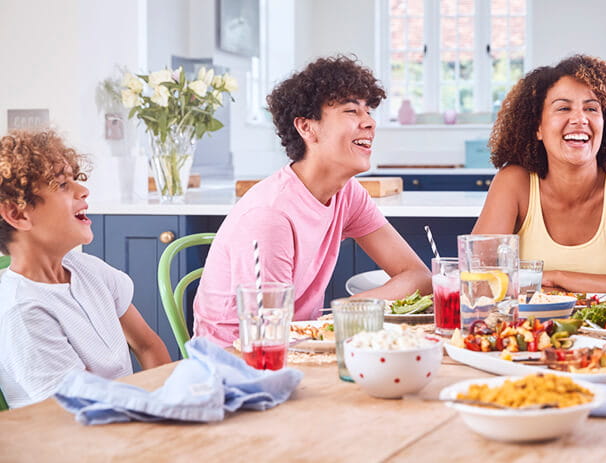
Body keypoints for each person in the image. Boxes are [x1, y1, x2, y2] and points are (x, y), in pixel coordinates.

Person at [193, 55, 431, 347]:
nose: (369, 122)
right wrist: (340, 321)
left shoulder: (348, 193)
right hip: (238, 364)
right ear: (307, 128)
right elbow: (265, 339)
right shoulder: (269, 216)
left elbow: (418, 276)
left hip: (298, 345)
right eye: (351, 111)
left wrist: (349, 310)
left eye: (368, 111)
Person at [474, 54, 606, 294]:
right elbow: (478, 281)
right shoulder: (514, 182)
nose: (580, 119)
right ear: (537, 127)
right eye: (563, 108)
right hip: (528, 330)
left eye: (591, 108)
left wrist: (558, 278)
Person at [0, 129, 170, 409]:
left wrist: (170, 401)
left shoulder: (89, 270)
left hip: (121, 420)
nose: (83, 189)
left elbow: (148, 345)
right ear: (18, 214)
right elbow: (80, 408)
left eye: (74, 179)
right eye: (62, 184)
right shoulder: (24, 312)